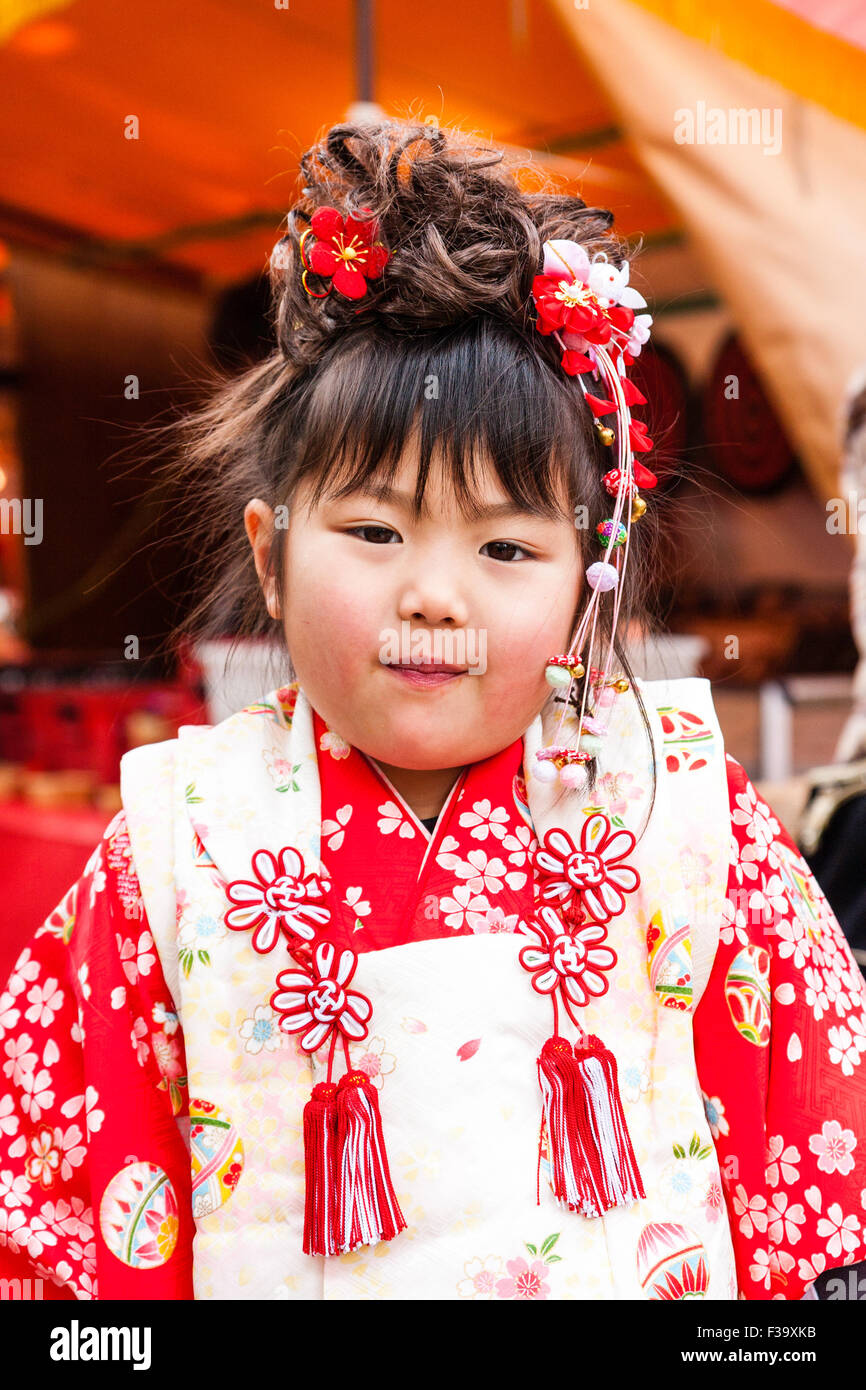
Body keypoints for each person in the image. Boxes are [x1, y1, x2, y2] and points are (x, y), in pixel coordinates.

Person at [2, 119, 865, 1302]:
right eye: (372, 530)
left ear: (586, 578)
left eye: (507, 545)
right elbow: (66, 1247)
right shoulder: (174, 846)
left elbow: (815, 1198)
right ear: (271, 555)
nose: (433, 591)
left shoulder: (684, 814)